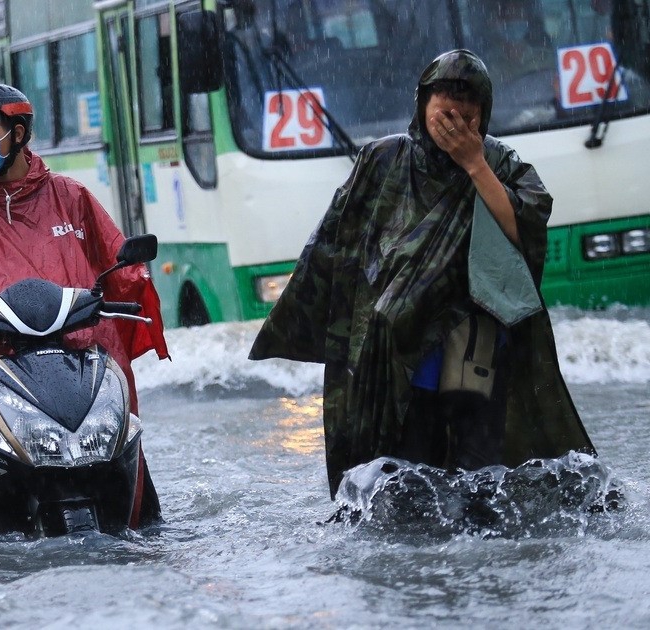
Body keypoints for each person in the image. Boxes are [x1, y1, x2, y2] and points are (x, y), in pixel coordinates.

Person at [248, 50, 595, 499]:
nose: (455, 127)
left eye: (467, 117)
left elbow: (524, 224)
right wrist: (319, 330)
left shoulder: (500, 162)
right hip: (398, 349)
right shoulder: (382, 161)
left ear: (483, 116)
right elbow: (336, 247)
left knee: (479, 476)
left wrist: (474, 164)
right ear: (422, 105)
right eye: (444, 114)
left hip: (474, 342)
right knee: (406, 475)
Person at [0, 83, 170, 534]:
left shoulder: (71, 197)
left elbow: (117, 264)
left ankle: (147, 531)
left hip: (73, 354)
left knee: (126, 446)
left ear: (18, 133)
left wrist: (128, 282)